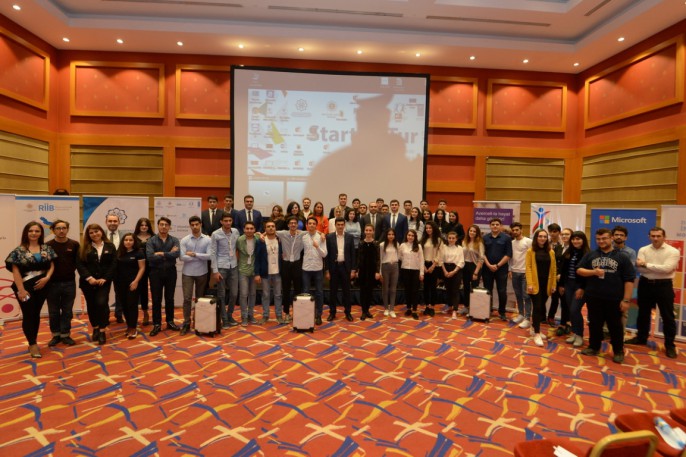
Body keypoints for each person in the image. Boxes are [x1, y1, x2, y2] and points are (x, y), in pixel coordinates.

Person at [577, 228, 635, 364]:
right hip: (594, 297)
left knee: (615, 326)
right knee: (594, 324)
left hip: (614, 298)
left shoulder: (622, 257)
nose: (601, 241)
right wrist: (593, 272)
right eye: (598, 239)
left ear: (611, 238)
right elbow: (579, 270)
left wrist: (626, 300)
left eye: (604, 238)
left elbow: (629, 280)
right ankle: (594, 347)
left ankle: (618, 351)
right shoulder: (591, 255)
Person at [627, 227, 680, 358]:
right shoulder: (643, 249)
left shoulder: (673, 251)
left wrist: (646, 265)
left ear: (664, 237)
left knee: (668, 316)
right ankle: (641, 338)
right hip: (645, 284)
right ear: (649, 236)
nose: (655, 238)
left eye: (658, 236)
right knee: (643, 313)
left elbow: (667, 269)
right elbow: (640, 269)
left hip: (664, 286)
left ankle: (670, 345)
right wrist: (650, 267)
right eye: (653, 236)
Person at [6, 221, 57, 358]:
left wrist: (47, 278)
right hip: (25, 287)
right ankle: (32, 344)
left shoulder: (46, 248)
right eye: (31, 231)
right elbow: (16, 271)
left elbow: (52, 265)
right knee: (28, 314)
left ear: (41, 233)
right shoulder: (19, 251)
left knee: (36, 314)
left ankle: (33, 340)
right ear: (26, 233)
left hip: (42, 285)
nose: (34, 233)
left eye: (37, 231)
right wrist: (21, 290)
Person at [77, 223, 116, 346]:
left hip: (103, 282)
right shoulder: (83, 247)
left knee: (101, 303)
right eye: (91, 233)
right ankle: (95, 328)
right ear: (88, 235)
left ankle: (102, 331)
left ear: (101, 232)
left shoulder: (110, 246)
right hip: (88, 282)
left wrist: (105, 278)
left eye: (96, 231)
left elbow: (114, 264)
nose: (94, 234)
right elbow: (80, 265)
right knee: (92, 305)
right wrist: (89, 278)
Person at [46, 220, 79, 346]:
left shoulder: (74, 244)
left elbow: (78, 262)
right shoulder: (47, 245)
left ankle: (65, 334)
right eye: (58, 228)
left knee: (67, 311)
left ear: (67, 229)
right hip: (52, 284)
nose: (61, 230)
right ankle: (55, 335)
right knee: (53, 312)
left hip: (69, 283)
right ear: (53, 230)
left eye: (64, 228)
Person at [146, 217, 181, 336]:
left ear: (169, 227)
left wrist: (161, 253)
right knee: (156, 299)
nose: (164, 226)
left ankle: (170, 321)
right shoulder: (151, 240)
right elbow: (150, 257)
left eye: (166, 224)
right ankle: (157, 324)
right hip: (155, 272)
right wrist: (168, 254)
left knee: (169, 298)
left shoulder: (174, 240)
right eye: (161, 224)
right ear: (158, 226)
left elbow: (176, 254)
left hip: (171, 272)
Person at [179, 215, 211, 335]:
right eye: (192, 225)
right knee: (187, 299)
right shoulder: (184, 240)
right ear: (190, 226)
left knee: (199, 299)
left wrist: (194, 254)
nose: (195, 227)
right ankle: (186, 323)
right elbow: (182, 257)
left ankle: (198, 323)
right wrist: (200, 256)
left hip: (202, 273)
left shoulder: (207, 240)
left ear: (201, 224)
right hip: (187, 273)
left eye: (197, 224)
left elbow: (209, 256)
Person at [525, 229, 557, 347]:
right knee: (537, 307)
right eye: (540, 236)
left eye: (544, 236)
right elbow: (528, 268)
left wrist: (553, 284)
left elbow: (554, 269)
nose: (542, 238)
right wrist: (529, 283)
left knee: (541, 307)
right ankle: (537, 333)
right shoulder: (531, 251)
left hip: (546, 284)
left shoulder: (551, 252)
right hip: (535, 284)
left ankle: (533, 328)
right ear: (536, 238)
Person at [560, 230, 590, 348]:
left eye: (578, 239)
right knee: (570, 309)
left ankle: (580, 335)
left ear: (583, 240)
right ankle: (575, 333)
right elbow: (563, 270)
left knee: (574, 310)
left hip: (580, 286)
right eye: (573, 239)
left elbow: (587, 274)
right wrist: (561, 285)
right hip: (568, 284)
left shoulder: (588, 254)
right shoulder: (569, 252)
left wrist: (582, 288)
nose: (575, 241)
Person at [211, 213, 240, 328]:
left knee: (234, 293)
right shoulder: (215, 234)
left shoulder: (236, 232)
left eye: (230, 221)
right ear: (221, 222)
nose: (228, 223)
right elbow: (213, 253)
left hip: (233, 266)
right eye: (226, 221)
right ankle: (224, 319)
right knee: (221, 294)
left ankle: (229, 315)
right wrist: (215, 271)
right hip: (221, 267)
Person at [114, 233, 145, 339]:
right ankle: (129, 325)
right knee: (124, 305)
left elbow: (142, 268)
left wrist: (136, 281)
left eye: (130, 240)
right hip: (120, 283)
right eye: (126, 240)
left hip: (133, 283)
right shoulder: (119, 252)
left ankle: (133, 328)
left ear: (134, 241)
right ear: (123, 241)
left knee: (132, 305)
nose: (128, 242)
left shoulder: (139, 252)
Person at [325, 217, 356, 322]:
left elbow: (353, 254)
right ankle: (332, 313)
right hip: (333, 267)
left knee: (347, 292)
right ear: (335, 225)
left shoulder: (349, 237)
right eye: (338, 225)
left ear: (344, 225)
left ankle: (348, 312)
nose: (340, 226)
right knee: (333, 292)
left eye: (342, 224)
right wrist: (327, 270)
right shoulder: (329, 237)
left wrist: (353, 270)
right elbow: (327, 255)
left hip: (345, 267)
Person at [255, 220, 285, 324]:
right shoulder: (261, 241)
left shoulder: (280, 240)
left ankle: (279, 315)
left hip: (278, 272)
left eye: (273, 226)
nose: (271, 228)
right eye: (268, 226)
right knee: (266, 295)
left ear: (275, 228)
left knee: (278, 295)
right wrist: (257, 273)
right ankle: (265, 315)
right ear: (265, 229)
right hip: (265, 272)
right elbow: (257, 259)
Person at [482, 218, 512, 321]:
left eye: (497, 224)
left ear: (500, 226)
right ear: (490, 226)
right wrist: (489, 265)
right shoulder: (485, 238)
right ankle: (487, 310)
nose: (495, 226)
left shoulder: (507, 238)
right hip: (487, 268)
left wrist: (497, 265)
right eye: (493, 224)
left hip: (502, 269)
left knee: (502, 291)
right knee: (487, 290)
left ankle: (502, 312)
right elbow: (482, 253)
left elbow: (508, 254)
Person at [275, 216, 305, 320]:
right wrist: (261, 234)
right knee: (286, 289)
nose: (293, 225)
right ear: (288, 225)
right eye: (291, 223)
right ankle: (287, 312)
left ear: (297, 225)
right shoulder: (283, 233)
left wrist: (322, 234)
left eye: (295, 223)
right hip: (286, 264)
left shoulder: (302, 233)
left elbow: (314, 231)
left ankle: (297, 312)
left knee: (298, 289)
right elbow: (270, 230)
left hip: (297, 264)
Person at [236, 221, 264, 326]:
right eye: (247, 228)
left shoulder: (258, 239)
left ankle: (250, 315)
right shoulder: (239, 240)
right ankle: (244, 316)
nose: (249, 230)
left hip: (254, 271)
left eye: (251, 228)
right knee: (243, 294)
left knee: (252, 294)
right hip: (243, 270)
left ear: (254, 230)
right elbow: (236, 252)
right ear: (244, 230)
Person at [301, 217, 327, 325]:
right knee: (306, 292)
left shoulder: (321, 237)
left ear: (316, 225)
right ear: (307, 225)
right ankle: (307, 315)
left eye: (313, 223)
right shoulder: (303, 237)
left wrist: (317, 247)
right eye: (310, 223)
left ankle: (318, 315)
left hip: (318, 268)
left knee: (319, 292)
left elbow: (324, 254)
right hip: (306, 268)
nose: (311, 225)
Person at [509, 222, 532, 329]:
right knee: (518, 295)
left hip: (525, 273)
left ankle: (527, 318)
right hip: (514, 272)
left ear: (521, 230)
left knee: (526, 296)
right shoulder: (511, 243)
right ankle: (521, 314)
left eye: (517, 230)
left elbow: (532, 257)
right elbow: (510, 257)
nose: (515, 232)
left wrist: (530, 272)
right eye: (513, 230)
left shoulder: (528, 241)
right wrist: (510, 269)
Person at [356, 224, 380, 320]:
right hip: (363, 270)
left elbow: (378, 258)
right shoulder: (361, 243)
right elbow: (358, 258)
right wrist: (357, 270)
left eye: (370, 230)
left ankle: (367, 310)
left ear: (373, 231)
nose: (368, 232)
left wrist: (377, 271)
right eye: (367, 230)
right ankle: (363, 311)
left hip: (372, 270)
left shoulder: (376, 243)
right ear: (364, 231)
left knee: (370, 291)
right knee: (363, 291)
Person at [399, 229, 424, 320]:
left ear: (415, 237)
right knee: (407, 290)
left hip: (415, 271)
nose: (410, 237)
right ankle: (408, 308)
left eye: (412, 236)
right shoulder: (402, 245)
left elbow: (421, 260)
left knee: (415, 291)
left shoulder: (418, 246)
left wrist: (421, 273)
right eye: (409, 235)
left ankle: (414, 310)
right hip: (405, 270)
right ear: (406, 236)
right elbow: (400, 257)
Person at [133, 217, 153, 326]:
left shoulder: (154, 237)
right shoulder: (133, 237)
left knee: (155, 290)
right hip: (139, 268)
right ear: (138, 226)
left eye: (146, 225)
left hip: (153, 266)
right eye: (142, 225)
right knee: (142, 290)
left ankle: (156, 313)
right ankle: (145, 312)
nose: (144, 227)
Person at [420, 221, 442, 316]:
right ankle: (427, 306)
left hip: (434, 265)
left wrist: (433, 266)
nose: (428, 230)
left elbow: (440, 254)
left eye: (430, 228)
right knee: (425, 287)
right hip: (424, 264)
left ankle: (432, 307)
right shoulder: (423, 239)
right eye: (427, 228)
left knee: (433, 287)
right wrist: (423, 266)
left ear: (434, 229)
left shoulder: (438, 240)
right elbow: (420, 254)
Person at [105, 213, 125, 323]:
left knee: (120, 293)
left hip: (120, 269)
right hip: (105, 270)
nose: (112, 223)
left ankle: (119, 314)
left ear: (119, 222)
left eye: (115, 221)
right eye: (110, 221)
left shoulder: (125, 236)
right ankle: (105, 315)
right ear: (106, 222)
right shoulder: (100, 235)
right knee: (104, 294)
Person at [553, 227, 573, 336]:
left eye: (567, 234)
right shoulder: (558, 247)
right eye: (563, 234)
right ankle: (564, 322)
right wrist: (556, 274)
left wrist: (562, 276)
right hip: (557, 279)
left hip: (568, 280)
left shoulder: (574, 249)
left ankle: (566, 323)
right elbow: (554, 263)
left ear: (572, 236)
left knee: (567, 302)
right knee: (561, 301)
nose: (564, 236)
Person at [461, 224, 484, 316]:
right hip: (465, 266)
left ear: (477, 233)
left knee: (474, 289)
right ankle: (466, 307)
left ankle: (474, 309)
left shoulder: (480, 243)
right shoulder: (464, 242)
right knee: (466, 288)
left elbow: (481, 259)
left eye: (474, 231)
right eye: (471, 231)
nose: (472, 233)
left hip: (475, 267)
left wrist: (476, 272)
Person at [441, 231, 465, 319]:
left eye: (453, 238)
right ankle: (450, 306)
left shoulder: (460, 248)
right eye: (449, 238)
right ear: (447, 238)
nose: (451, 240)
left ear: (456, 239)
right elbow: (440, 260)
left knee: (455, 290)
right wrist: (445, 271)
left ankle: (455, 310)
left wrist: (454, 271)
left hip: (456, 269)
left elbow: (461, 261)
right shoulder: (443, 247)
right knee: (448, 290)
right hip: (445, 268)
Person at [379, 228, 400, 318]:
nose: (391, 236)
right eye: (389, 234)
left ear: (394, 236)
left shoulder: (397, 244)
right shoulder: (382, 245)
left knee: (393, 289)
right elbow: (380, 259)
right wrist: (380, 272)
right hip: (385, 267)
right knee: (385, 288)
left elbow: (399, 256)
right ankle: (386, 308)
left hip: (395, 267)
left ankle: (392, 309)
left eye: (392, 234)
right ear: (386, 235)